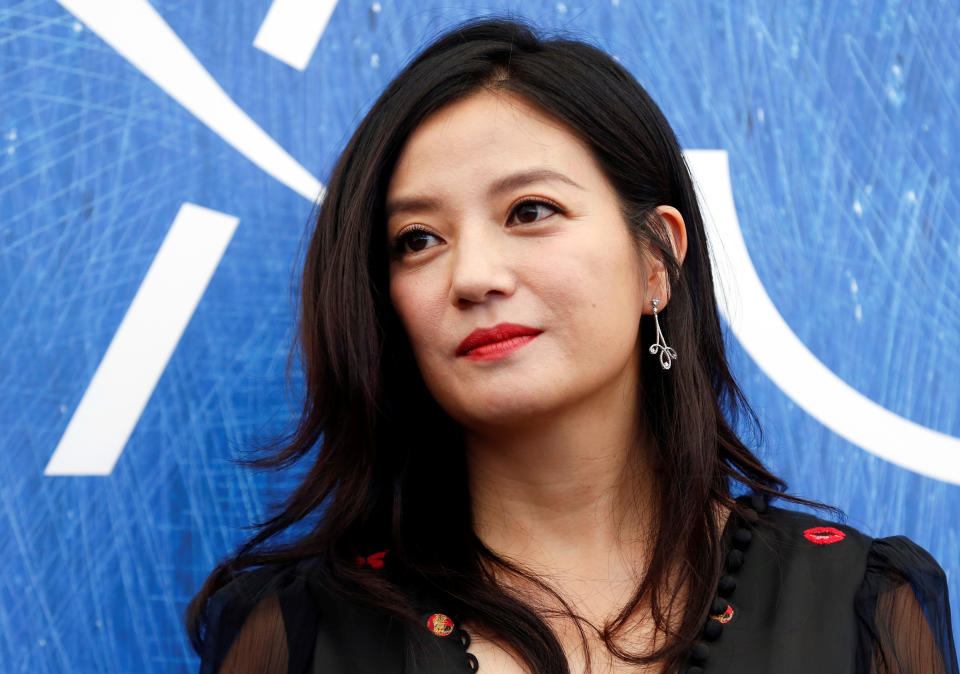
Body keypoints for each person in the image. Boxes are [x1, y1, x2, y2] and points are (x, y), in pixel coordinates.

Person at [185, 17, 958, 674]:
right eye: (418, 239)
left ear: (656, 260)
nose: (474, 276)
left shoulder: (860, 606)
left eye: (530, 211)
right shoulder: (297, 638)